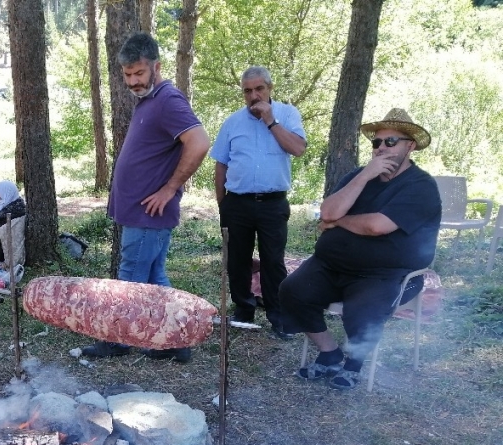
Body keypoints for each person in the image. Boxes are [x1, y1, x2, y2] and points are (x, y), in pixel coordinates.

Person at [279, 108, 442, 390]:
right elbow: (327, 210)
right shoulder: (358, 177)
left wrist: (338, 222)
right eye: (376, 143)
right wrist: (365, 176)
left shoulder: (421, 186)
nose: (381, 148)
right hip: (331, 266)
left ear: (410, 146)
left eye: (390, 142)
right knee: (292, 291)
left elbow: (376, 226)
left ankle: (354, 364)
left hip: (388, 274)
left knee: (362, 309)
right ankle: (330, 354)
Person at [80, 31, 209, 364]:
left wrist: (169, 189)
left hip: (147, 214)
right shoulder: (149, 100)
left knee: (130, 281)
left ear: (157, 66)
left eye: (139, 73)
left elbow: (199, 142)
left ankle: (118, 340)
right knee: (153, 278)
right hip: (139, 212)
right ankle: (175, 341)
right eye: (128, 75)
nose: (134, 81)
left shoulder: (168, 99)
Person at [210, 66, 307, 339]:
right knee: (237, 261)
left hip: (273, 203)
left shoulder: (288, 114)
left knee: (273, 260)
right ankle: (243, 311)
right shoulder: (232, 122)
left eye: (259, 89)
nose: (253, 96)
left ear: (269, 88)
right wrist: (223, 204)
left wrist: (270, 121)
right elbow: (221, 165)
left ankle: (278, 315)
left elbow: (298, 149)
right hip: (237, 203)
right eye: (248, 91)